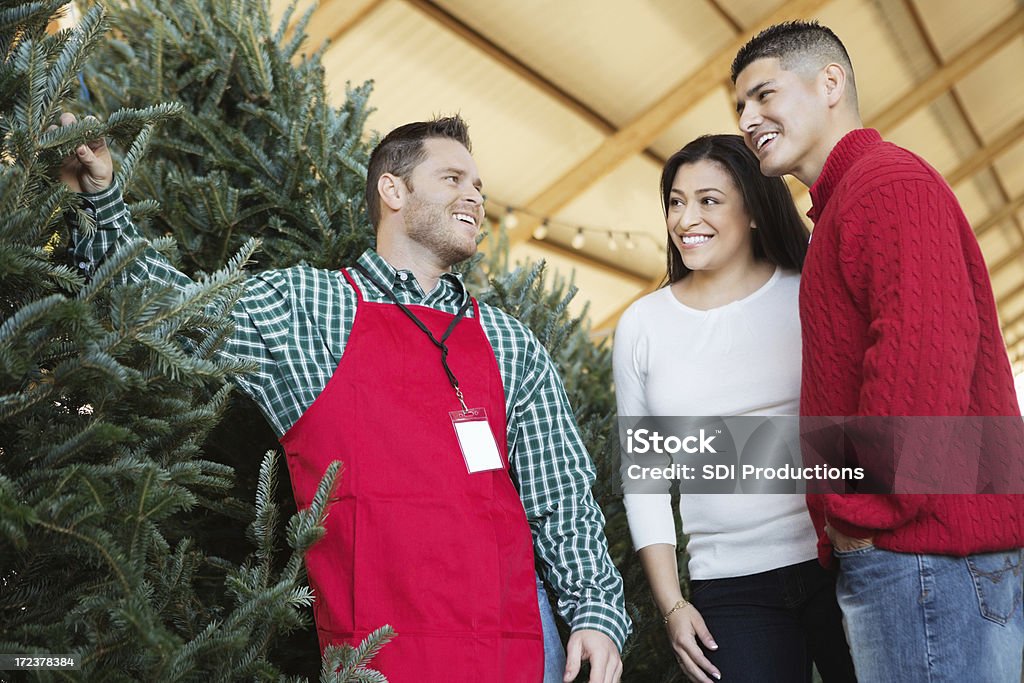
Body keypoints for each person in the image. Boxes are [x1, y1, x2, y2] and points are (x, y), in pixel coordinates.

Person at [58, 112, 629, 683]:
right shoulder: (311, 307)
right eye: (453, 179)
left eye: (478, 186)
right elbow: (176, 311)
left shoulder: (509, 342)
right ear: (393, 190)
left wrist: (597, 614)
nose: (475, 196)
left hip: (519, 651)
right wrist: (103, 201)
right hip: (376, 661)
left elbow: (561, 497)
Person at [732, 21, 1024, 682]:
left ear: (830, 82)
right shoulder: (848, 203)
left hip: (925, 551)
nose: (749, 118)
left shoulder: (886, 187)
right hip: (920, 549)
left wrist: (860, 519)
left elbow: (922, 370)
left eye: (764, 95)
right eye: (740, 106)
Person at [613, 134, 855, 683]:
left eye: (709, 200)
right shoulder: (642, 325)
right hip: (729, 588)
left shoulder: (808, 291)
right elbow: (645, 479)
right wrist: (673, 605)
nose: (686, 218)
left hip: (837, 564)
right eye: (676, 201)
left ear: (752, 210)